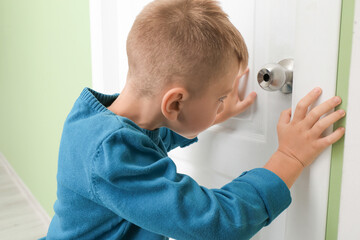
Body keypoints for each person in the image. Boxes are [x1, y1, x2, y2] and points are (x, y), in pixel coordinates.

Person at [43, 0, 346, 239]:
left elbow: (150, 136)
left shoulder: (95, 122)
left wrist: (212, 113)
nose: (222, 104)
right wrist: (288, 157)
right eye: (219, 99)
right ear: (175, 102)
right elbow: (216, 221)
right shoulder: (111, 156)